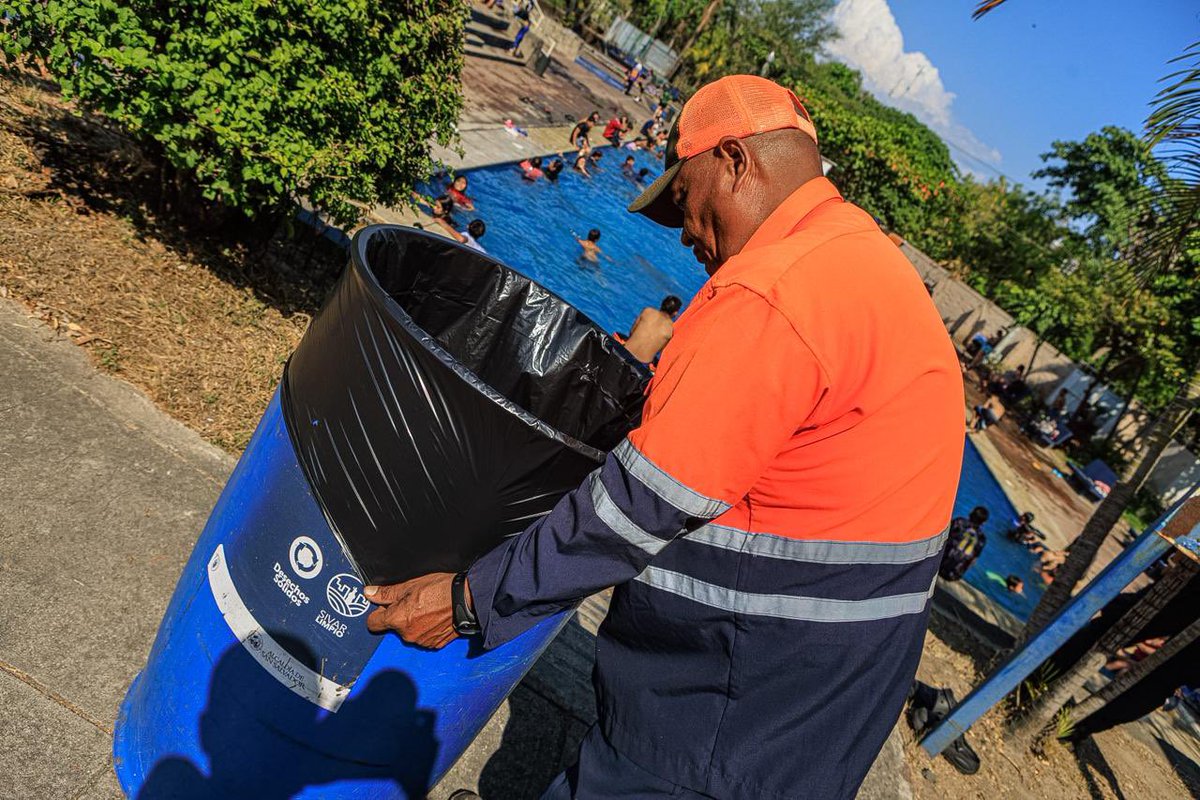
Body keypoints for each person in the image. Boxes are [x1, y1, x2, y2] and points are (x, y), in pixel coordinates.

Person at [362, 75, 964, 800]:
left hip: (734, 692)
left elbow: (632, 511)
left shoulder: (771, 292)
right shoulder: (863, 262)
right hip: (838, 679)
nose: (683, 233)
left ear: (736, 161)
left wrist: (469, 600)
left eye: (683, 201)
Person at [616, 295, 682, 364]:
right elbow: (661, 351)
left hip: (624, 352)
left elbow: (632, 331)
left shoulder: (647, 311)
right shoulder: (671, 330)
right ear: (675, 313)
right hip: (640, 366)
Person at [939, 506, 989, 582]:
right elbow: (973, 560)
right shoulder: (981, 538)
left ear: (971, 513)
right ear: (983, 523)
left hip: (938, 566)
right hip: (954, 575)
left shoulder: (959, 522)